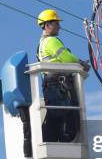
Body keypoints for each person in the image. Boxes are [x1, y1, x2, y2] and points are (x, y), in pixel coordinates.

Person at [36, 9, 90, 142]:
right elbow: (66, 57)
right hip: (57, 85)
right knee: (62, 114)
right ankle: (58, 140)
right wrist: (81, 63)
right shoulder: (51, 41)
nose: (59, 26)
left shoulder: (41, 43)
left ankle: (53, 140)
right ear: (47, 25)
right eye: (56, 23)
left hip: (51, 85)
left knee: (56, 115)